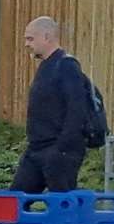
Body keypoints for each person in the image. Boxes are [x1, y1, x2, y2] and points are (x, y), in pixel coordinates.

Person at [12, 16, 90, 193]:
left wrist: (61, 148)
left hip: (58, 151)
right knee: (15, 201)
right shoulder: (46, 66)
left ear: (47, 37)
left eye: (30, 38)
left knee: (62, 207)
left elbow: (77, 110)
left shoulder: (67, 65)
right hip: (37, 149)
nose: (26, 44)